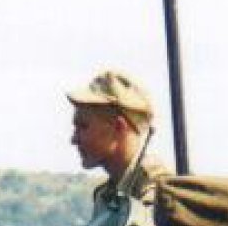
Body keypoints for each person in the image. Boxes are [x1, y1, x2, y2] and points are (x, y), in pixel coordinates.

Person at [67, 68, 167, 205]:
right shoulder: (106, 195)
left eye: (83, 126)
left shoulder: (158, 192)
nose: (74, 139)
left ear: (119, 127)